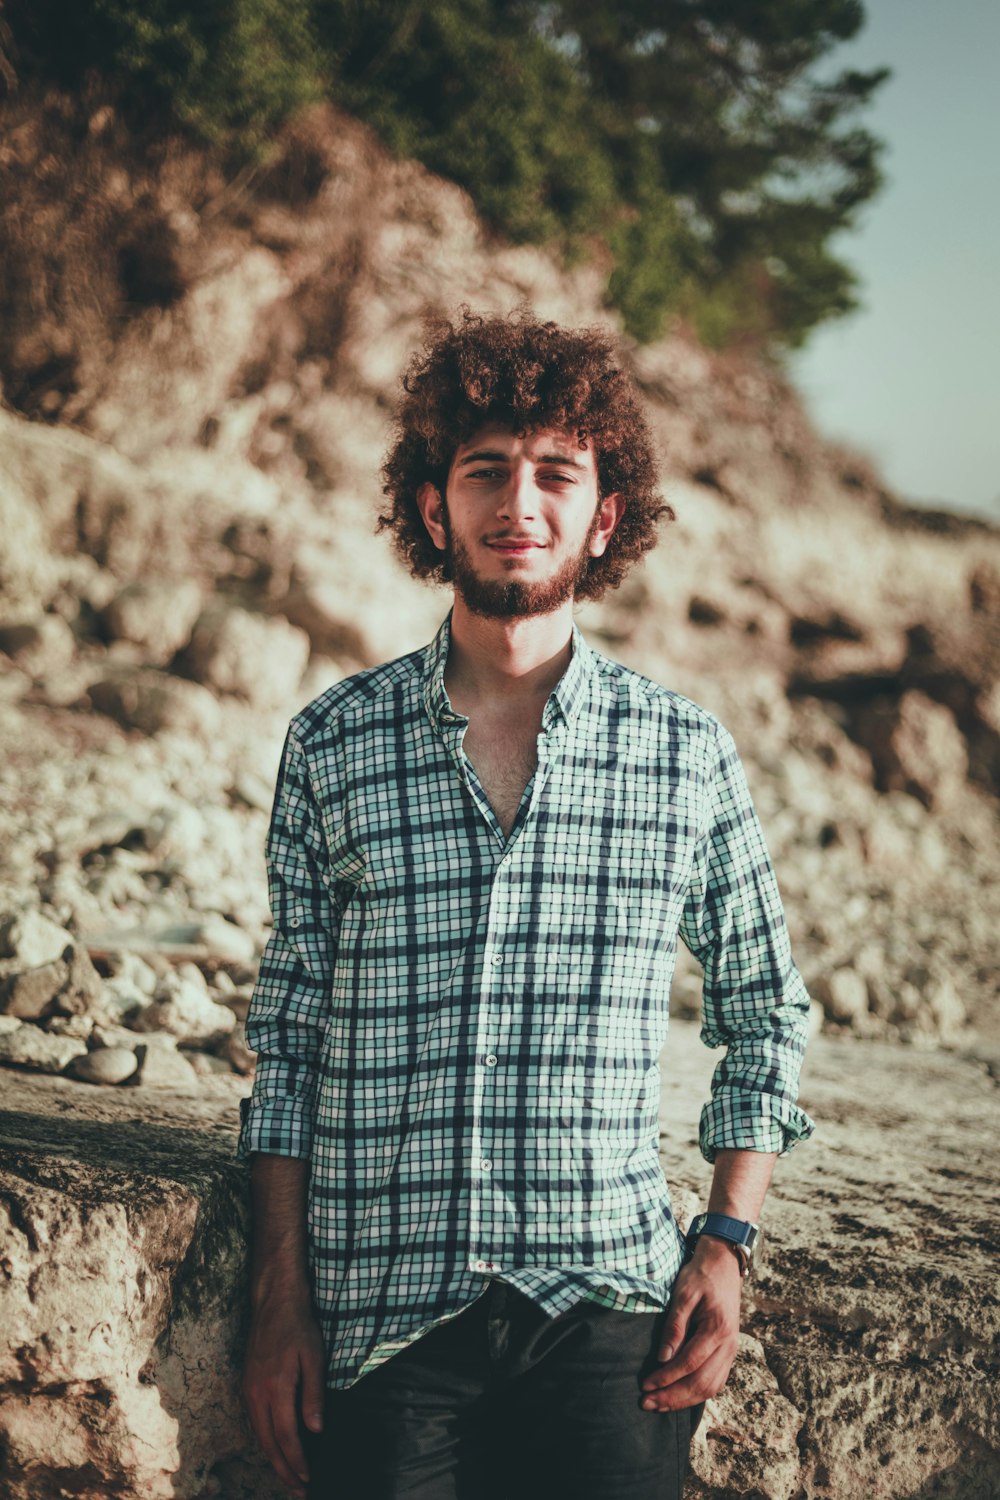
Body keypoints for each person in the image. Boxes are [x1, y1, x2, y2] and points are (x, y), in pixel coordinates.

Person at [237, 309, 815, 1500]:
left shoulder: (684, 753)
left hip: (609, 1320)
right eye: (485, 469)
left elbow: (764, 1010)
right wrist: (279, 1299)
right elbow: (286, 1042)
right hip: (384, 1322)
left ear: (604, 515)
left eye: (557, 473)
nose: (521, 503)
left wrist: (727, 1236)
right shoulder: (334, 744)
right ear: (433, 505)